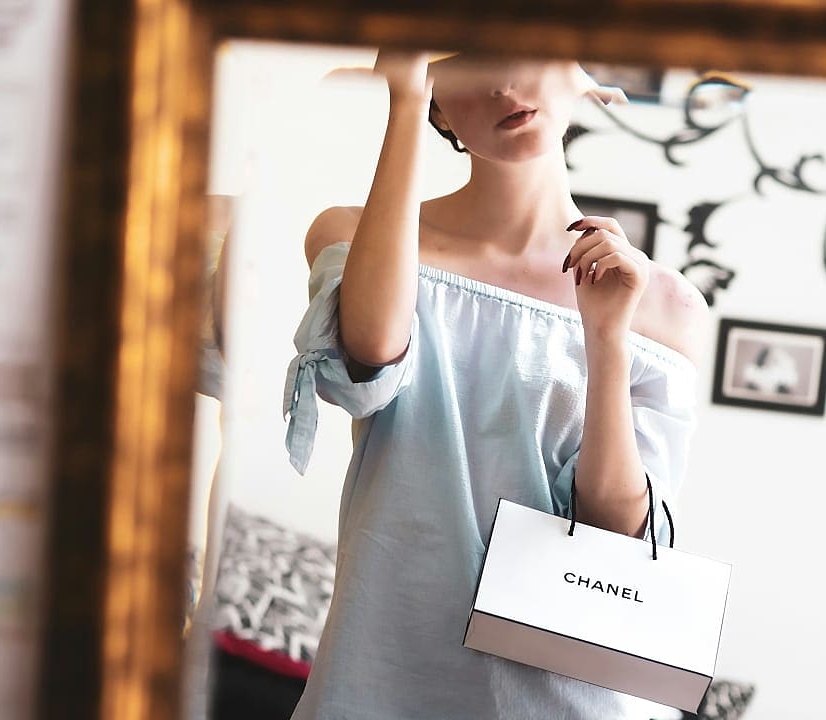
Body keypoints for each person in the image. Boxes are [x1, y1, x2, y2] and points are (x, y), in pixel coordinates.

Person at [282, 50, 709, 720]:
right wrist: (402, 102)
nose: (505, 85)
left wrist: (606, 338)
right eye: (466, 64)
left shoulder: (664, 303)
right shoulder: (354, 235)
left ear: (579, 67)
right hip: (385, 677)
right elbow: (368, 366)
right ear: (437, 105)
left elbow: (616, 534)